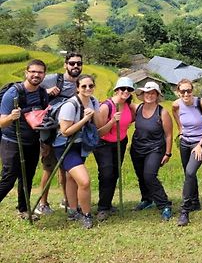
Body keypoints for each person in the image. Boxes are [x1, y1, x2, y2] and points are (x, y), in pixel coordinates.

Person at [0, 59, 49, 219]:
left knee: (27, 177)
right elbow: (1, 122)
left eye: (40, 72)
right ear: (26, 73)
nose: (36, 75)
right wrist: (12, 117)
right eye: (33, 71)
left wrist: (44, 143)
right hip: (12, 142)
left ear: (44, 75)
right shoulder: (13, 93)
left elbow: (42, 119)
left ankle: (24, 210)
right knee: (9, 177)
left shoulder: (42, 93)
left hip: (33, 142)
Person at [36, 52, 83, 215]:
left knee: (65, 168)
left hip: (67, 133)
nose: (75, 66)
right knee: (49, 168)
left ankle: (67, 200)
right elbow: (31, 89)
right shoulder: (52, 79)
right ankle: (42, 203)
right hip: (49, 131)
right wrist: (47, 92)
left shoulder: (82, 83)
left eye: (78, 63)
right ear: (65, 65)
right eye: (72, 63)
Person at [53, 74, 99, 229]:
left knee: (71, 178)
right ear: (77, 88)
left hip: (81, 145)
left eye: (90, 86)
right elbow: (65, 131)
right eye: (84, 86)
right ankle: (86, 215)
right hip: (65, 147)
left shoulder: (93, 101)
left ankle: (73, 211)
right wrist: (85, 119)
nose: (87, 89)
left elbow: (97, 123)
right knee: (84, 181)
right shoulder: (70, 105)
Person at [93, 77, 136, 221]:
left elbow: (132, 119)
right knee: (106, 173)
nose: (126, 91)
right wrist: (112, 121)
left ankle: (107, 203)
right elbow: (99, 132)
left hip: (121, 142)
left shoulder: (129, 106)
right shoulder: (106, 106)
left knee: (115, 173)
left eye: (129, 89)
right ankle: (103, 208)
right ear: (116, 90)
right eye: (123, 89)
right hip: (104, 144)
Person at [172, 79, 202, 226]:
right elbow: (175, 114)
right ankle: (195, 201)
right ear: (178, 92)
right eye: (182, 91)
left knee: (190, 172)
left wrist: (200, 145)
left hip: (201, 142)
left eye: (188, 90)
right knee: (188, 173)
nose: (186, 94)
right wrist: (181, 131)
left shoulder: (200, 103)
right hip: (185, 142)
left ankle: (185, 211)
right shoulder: (176, 104)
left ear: (192, 91)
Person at [130, 81, 173, 221]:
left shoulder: (163, 112)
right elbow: (121, 102)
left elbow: (168, 134)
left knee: (149, 176)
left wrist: (167, 153)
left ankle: (164, 204)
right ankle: (147, 199)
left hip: (155, 149)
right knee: (141, 176)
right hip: (137, 148)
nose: (149, 95)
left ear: (157, 95)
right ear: (142, 94)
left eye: (153, 93)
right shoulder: (137, 108)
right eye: (147, 92)